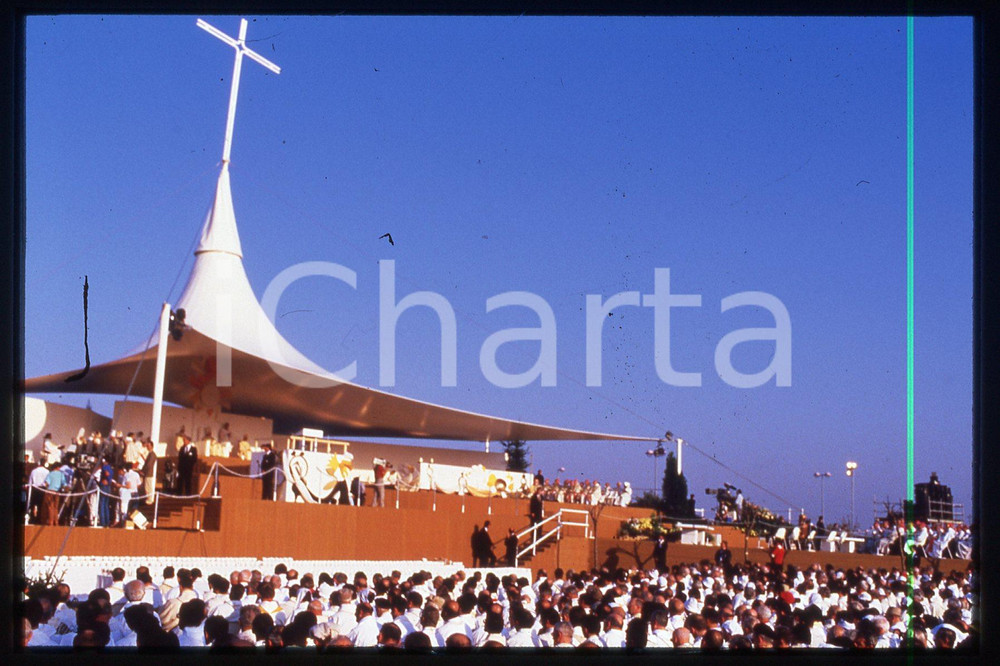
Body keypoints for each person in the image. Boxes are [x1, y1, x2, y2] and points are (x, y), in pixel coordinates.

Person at [141, 440, 157, 506]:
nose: (147, 447)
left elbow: (149, 465)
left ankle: (150, 500)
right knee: (147, 487)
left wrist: (143, 471)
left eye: (148, 446)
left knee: (148, 487)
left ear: (151, 446)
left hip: (148, 473)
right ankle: (148, 499)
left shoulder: (152, 454)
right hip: (147, 473)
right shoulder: (150, 454)